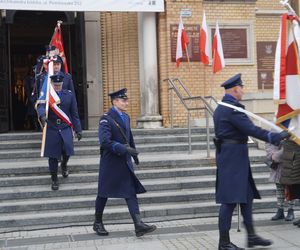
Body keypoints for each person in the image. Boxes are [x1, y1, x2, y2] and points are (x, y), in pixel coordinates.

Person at [213, 73, 290, 250]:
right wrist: (274, 136)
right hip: (232, 159)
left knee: (246, 198)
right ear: (235, 89)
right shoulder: (231, 108)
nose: (243, 91)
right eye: (241, 88)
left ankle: (252, 237)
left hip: (234, 158)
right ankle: (223, 243)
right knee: (230, 201)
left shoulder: (224, 107)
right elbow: (251, 129)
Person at [93, 88, 156, 237]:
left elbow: (129, 136)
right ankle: (97, 222)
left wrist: (134, 153)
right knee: (103, 192)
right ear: (115, 102)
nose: (126, 102)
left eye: (126, 100)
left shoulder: (126, 117)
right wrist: (124, 149)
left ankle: (138, 224)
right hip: (111, 162)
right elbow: (105, 142)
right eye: (123, 100)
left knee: (130, 192)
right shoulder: (106, 119)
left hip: (124, 161)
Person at [36, 73, 82, 190]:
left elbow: (74, 113)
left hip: (65, 126)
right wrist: (42, 116)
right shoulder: (47, 95)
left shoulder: (69, 95)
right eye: (55, 85)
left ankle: (64, 164)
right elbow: (41, 106)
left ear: (62, 84)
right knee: (52, 156)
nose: (57, 87)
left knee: (67, 149)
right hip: (52, 127)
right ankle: (54, 179)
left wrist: (78, 129)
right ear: (52, 84)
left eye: (59, 85)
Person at [265, 140, 295, 221]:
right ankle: (280, 210)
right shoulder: (273, 134)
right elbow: (273, 156)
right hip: (278, 167)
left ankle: (290, 210)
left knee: (291, 188)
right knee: (279, 188)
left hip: (291, 165)